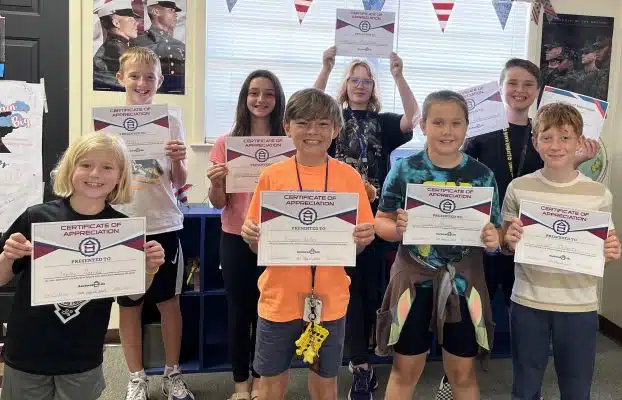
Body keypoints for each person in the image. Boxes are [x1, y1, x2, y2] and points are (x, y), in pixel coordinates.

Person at [434, 58, 600, 399]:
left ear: (538, 91)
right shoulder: (480, 131)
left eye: (528, 84)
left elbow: (556, 177)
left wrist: (577, 161)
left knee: (523, 315)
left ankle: (525, 373)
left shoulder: (544, 133)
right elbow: (461, 175)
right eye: (512, 82)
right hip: (483, 235)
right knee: (470, 309)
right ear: (500, 87)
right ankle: (454, 375)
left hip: (531, 242)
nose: (519, 90)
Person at [0, 132, 165, 399]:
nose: (95, 174)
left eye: (107, 167)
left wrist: (148, 268)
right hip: (27, 350)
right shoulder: (37, 217)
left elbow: (133, 295)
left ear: (120, 176)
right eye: (86, 164)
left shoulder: (123, 230)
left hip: (83, 354)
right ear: (70, 169)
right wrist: (8, 255)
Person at [241, 88, 376, 400]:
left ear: (336, 129)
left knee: (325, 384)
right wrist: (252, 237)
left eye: (323, 124)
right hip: (278, 297)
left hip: (330, 298)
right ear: (287, 127)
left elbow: (356, 247)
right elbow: (257, 246)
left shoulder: (350, 178)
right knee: (270, 385)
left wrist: (362, 240)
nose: (313, 131)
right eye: (303, 123)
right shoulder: (272, 176)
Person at [375, 90, 501, 400]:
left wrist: (492, 239)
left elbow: (495, 229)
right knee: (405, 370)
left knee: (463, 374)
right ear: (423, 125)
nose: (447, 131)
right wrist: (397, 231)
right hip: (414, 280)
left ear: (467, 126)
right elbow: (381, 221)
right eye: (438, 122)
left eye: (456, 123)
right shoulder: (405, 169)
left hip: (463, 283)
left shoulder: (482, 175)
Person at [313, 46, 419, 400]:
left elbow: (413, 117)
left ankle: (362, 363)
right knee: (341, 289)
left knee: (368, 290)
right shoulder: (332, 119)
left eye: (367, 81)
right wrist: (325, 68)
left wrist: (399, 75)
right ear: (345, 85)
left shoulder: (384, 122)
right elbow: (309, 109)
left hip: (373, 217)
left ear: (374, 88)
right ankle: (350, 359)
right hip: (333, 215)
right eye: (354, 80)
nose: (360, 85)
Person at [503, 102, 621, 399]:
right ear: (535, 142)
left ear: (579, 141)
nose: (555, 146)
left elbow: (601, 251)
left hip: (579, 305)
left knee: (577, 386)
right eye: (547, 137)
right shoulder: (518, 188)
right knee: (525, 384)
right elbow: (505, 244)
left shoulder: (598, 194)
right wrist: (509, 239)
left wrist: (609, 252)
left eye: (565, 137)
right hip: (528, 301)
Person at [113, 47, 193, 400]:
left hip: (163, 223)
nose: (142, 83)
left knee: (168, 302)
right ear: (121, 79)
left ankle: (172, 373)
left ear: (160, 81)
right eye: (134, 76)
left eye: (150, 77)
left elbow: (179, 181)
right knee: (129, 304)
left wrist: (179, 161)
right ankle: (136, 378)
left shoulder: (170, 119)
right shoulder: (108, 122)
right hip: (122, 222)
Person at [207, 69, 286, 400]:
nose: (261, 99)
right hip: (236, 236)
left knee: (270, 312)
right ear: (244, 98)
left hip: (277, 238)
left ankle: (261, 379)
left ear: (277, 100)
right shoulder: (225, 144)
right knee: (239, 312)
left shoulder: (288, 144)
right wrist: (216, 182)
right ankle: (241, 383)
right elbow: (218, 203)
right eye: (254, 92)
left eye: (268, 93)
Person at [132, 0, 185, 94]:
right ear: (156, 12)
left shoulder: (180, 45)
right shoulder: (139, 42)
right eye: (171, 10)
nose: (176, 14)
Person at [93, 0, 138, 90]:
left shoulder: (119, 47)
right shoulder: (115, 52)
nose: (136, 22)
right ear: (116, 23)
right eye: (130, 18)